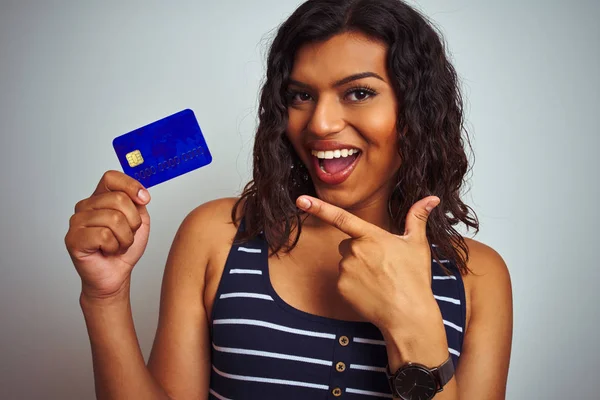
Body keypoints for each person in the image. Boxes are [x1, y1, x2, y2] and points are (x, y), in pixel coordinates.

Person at [65, 0, 513, 398]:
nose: (319, 123)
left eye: (359, 93)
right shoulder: (215, 237)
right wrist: (105, 297)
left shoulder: (478, 277)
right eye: (301, 95)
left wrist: (411, 320)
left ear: (415, 112)